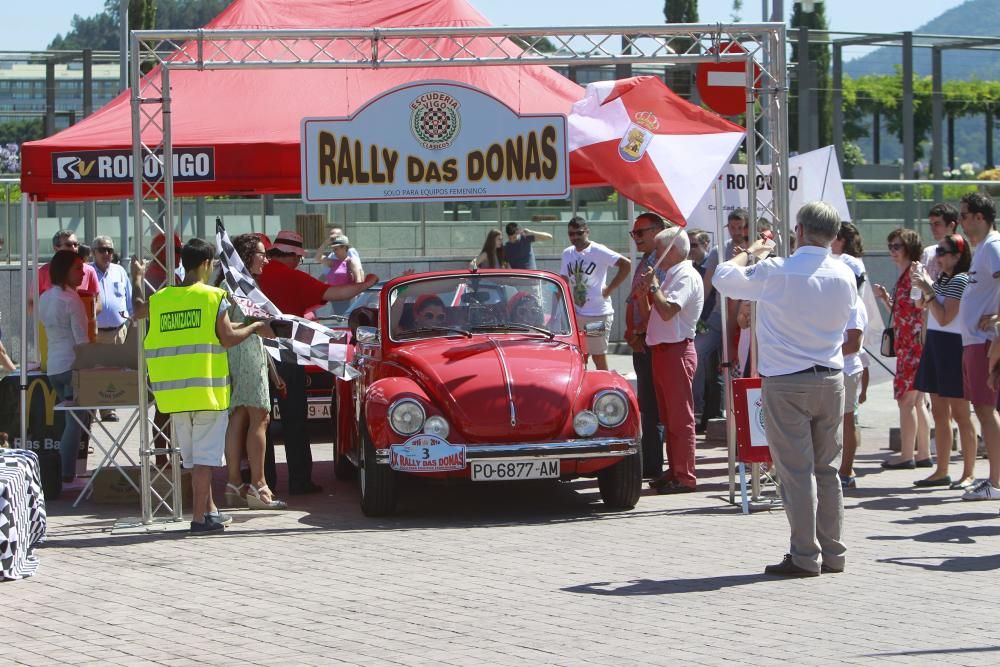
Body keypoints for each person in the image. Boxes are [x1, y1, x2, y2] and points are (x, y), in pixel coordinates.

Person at [713, 201, 857, 577]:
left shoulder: (778, 270)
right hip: (830, 377)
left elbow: (723, 278)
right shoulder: (844, 273)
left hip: (787, 380)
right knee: (827, 471)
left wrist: (753, 253)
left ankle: (805, 555)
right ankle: (833, 553)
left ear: (800, 231)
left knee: (796, 472)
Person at [142, 238, 276, 533]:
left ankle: (209, 511)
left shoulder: (161, 299)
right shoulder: (213, 297)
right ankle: (200, 518)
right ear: (206, 264)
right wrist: (255, 326)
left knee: (193, 460)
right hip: (206, 390)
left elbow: (137, 313)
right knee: (204, 460)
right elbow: (227, 338)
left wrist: (138, 280)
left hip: (174, 395)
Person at [257, 230, 377, 495]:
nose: (299, 262)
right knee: (294, 421)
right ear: (293, 256)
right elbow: (337, 293)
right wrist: (365, 284)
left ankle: (264, 482)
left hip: (257, 356)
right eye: (299, 257)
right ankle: (300, 481)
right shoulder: (293, 277)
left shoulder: (254, 276)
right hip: (289, 355)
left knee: (260, 422)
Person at [639, 227, 704, 494]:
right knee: (669, 417)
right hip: (665, 351)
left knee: (679, 418)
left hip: (675, 351)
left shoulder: (685, 275)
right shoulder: (674, 275)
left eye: (658, 248)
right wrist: (648, 291)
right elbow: (653, 315)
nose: (655, 254)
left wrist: (653, 287)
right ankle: (676, 469)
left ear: (672, 250)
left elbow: (667, 312)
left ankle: (685, 475)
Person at [911, 233, 977, 490]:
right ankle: (942, 469)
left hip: (953, 347)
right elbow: (922, 305)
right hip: (936, 345)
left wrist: (928, 289)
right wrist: (921, 284)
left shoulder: (961, 279)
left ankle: (969, 472)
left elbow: (946, 315)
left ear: (958, 256)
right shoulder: (942, 278)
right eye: (937, 251)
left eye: (943, 252)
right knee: (939, 412)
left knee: (961, 414)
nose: (938, 256)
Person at [873, 229, 932, 469]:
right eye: (891, 246)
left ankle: (907, 455)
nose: (892, 251)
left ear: (908, 247)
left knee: (907, 402)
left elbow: (921, 307)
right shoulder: (908, 274)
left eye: (896, 246)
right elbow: (904, 314)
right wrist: (887, 300)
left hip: (912, 347)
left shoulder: (914, 272)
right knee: (916, 402)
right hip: (910, 345)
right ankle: (922, 454)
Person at [956, 192, 1000, 502]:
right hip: (976, 342)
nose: (959, 221)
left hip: (986, 343)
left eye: (963, 215)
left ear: (979, 218)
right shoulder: (983, 249)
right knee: (984, 412)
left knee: (986, 413)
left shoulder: (993, 247)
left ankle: (996, 482)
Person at [37, 250, 92, 484]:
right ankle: (66, 472)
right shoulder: (72, 300)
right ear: (64, 271)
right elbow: (82, 341)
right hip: (72, 367)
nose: (83, 273)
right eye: (77, 268)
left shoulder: (46, 297)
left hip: (54, 368)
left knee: (74, 420)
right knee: (75, 422)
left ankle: (67, 470)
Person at [694, 209, 749, 425]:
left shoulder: (759, 250)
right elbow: (706, 286)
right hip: (719, 317)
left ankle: (737, 413)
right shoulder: (719, 251)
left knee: (740, 365)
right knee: (696, 353)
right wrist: (697, 316)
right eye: (732, 227)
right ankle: (697, 407)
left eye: (740, 227)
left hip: (745, 319)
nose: (736, 232)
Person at [623, 212, 667, 477]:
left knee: (653, 407)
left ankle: (653, 465)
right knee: (648, 405)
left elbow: (655, 305)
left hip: (651, 340)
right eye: (634, 233)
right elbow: (633, 300)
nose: (636, 238)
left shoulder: (660, 264)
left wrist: (639, 331)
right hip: (641, 340)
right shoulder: (645, 261)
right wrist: (632, 331)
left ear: (657, 231)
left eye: (641, 232)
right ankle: (651, 463)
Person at [560, 217, 630, 371]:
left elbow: (626, 264)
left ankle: (606, 385)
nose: (575, 237)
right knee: (579, 355)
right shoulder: (567, 253)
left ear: (587, 231)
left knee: (597, 355)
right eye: (571, 234)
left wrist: (610, 289)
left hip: (596, 314)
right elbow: (563, 280)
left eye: (579, 233)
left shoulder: (598, 250)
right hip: (577, 314)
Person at [91, 236, 132, 423]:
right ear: (93, 252)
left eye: (110, 250)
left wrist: (129, 322)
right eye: (102, 249)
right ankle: (91, 411)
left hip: (118, 330)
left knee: (114, 371)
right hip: (95, 332)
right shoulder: (87, 272)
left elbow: (129, 299)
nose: (107, 253)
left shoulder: (120, 271)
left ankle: (109, 409)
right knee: (94, 371)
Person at [921, 203, 959, 281]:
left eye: (937, 224)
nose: (932, 228)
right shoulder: (928, 252)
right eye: (931, 224)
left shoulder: (962, 252)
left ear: (951, 226)